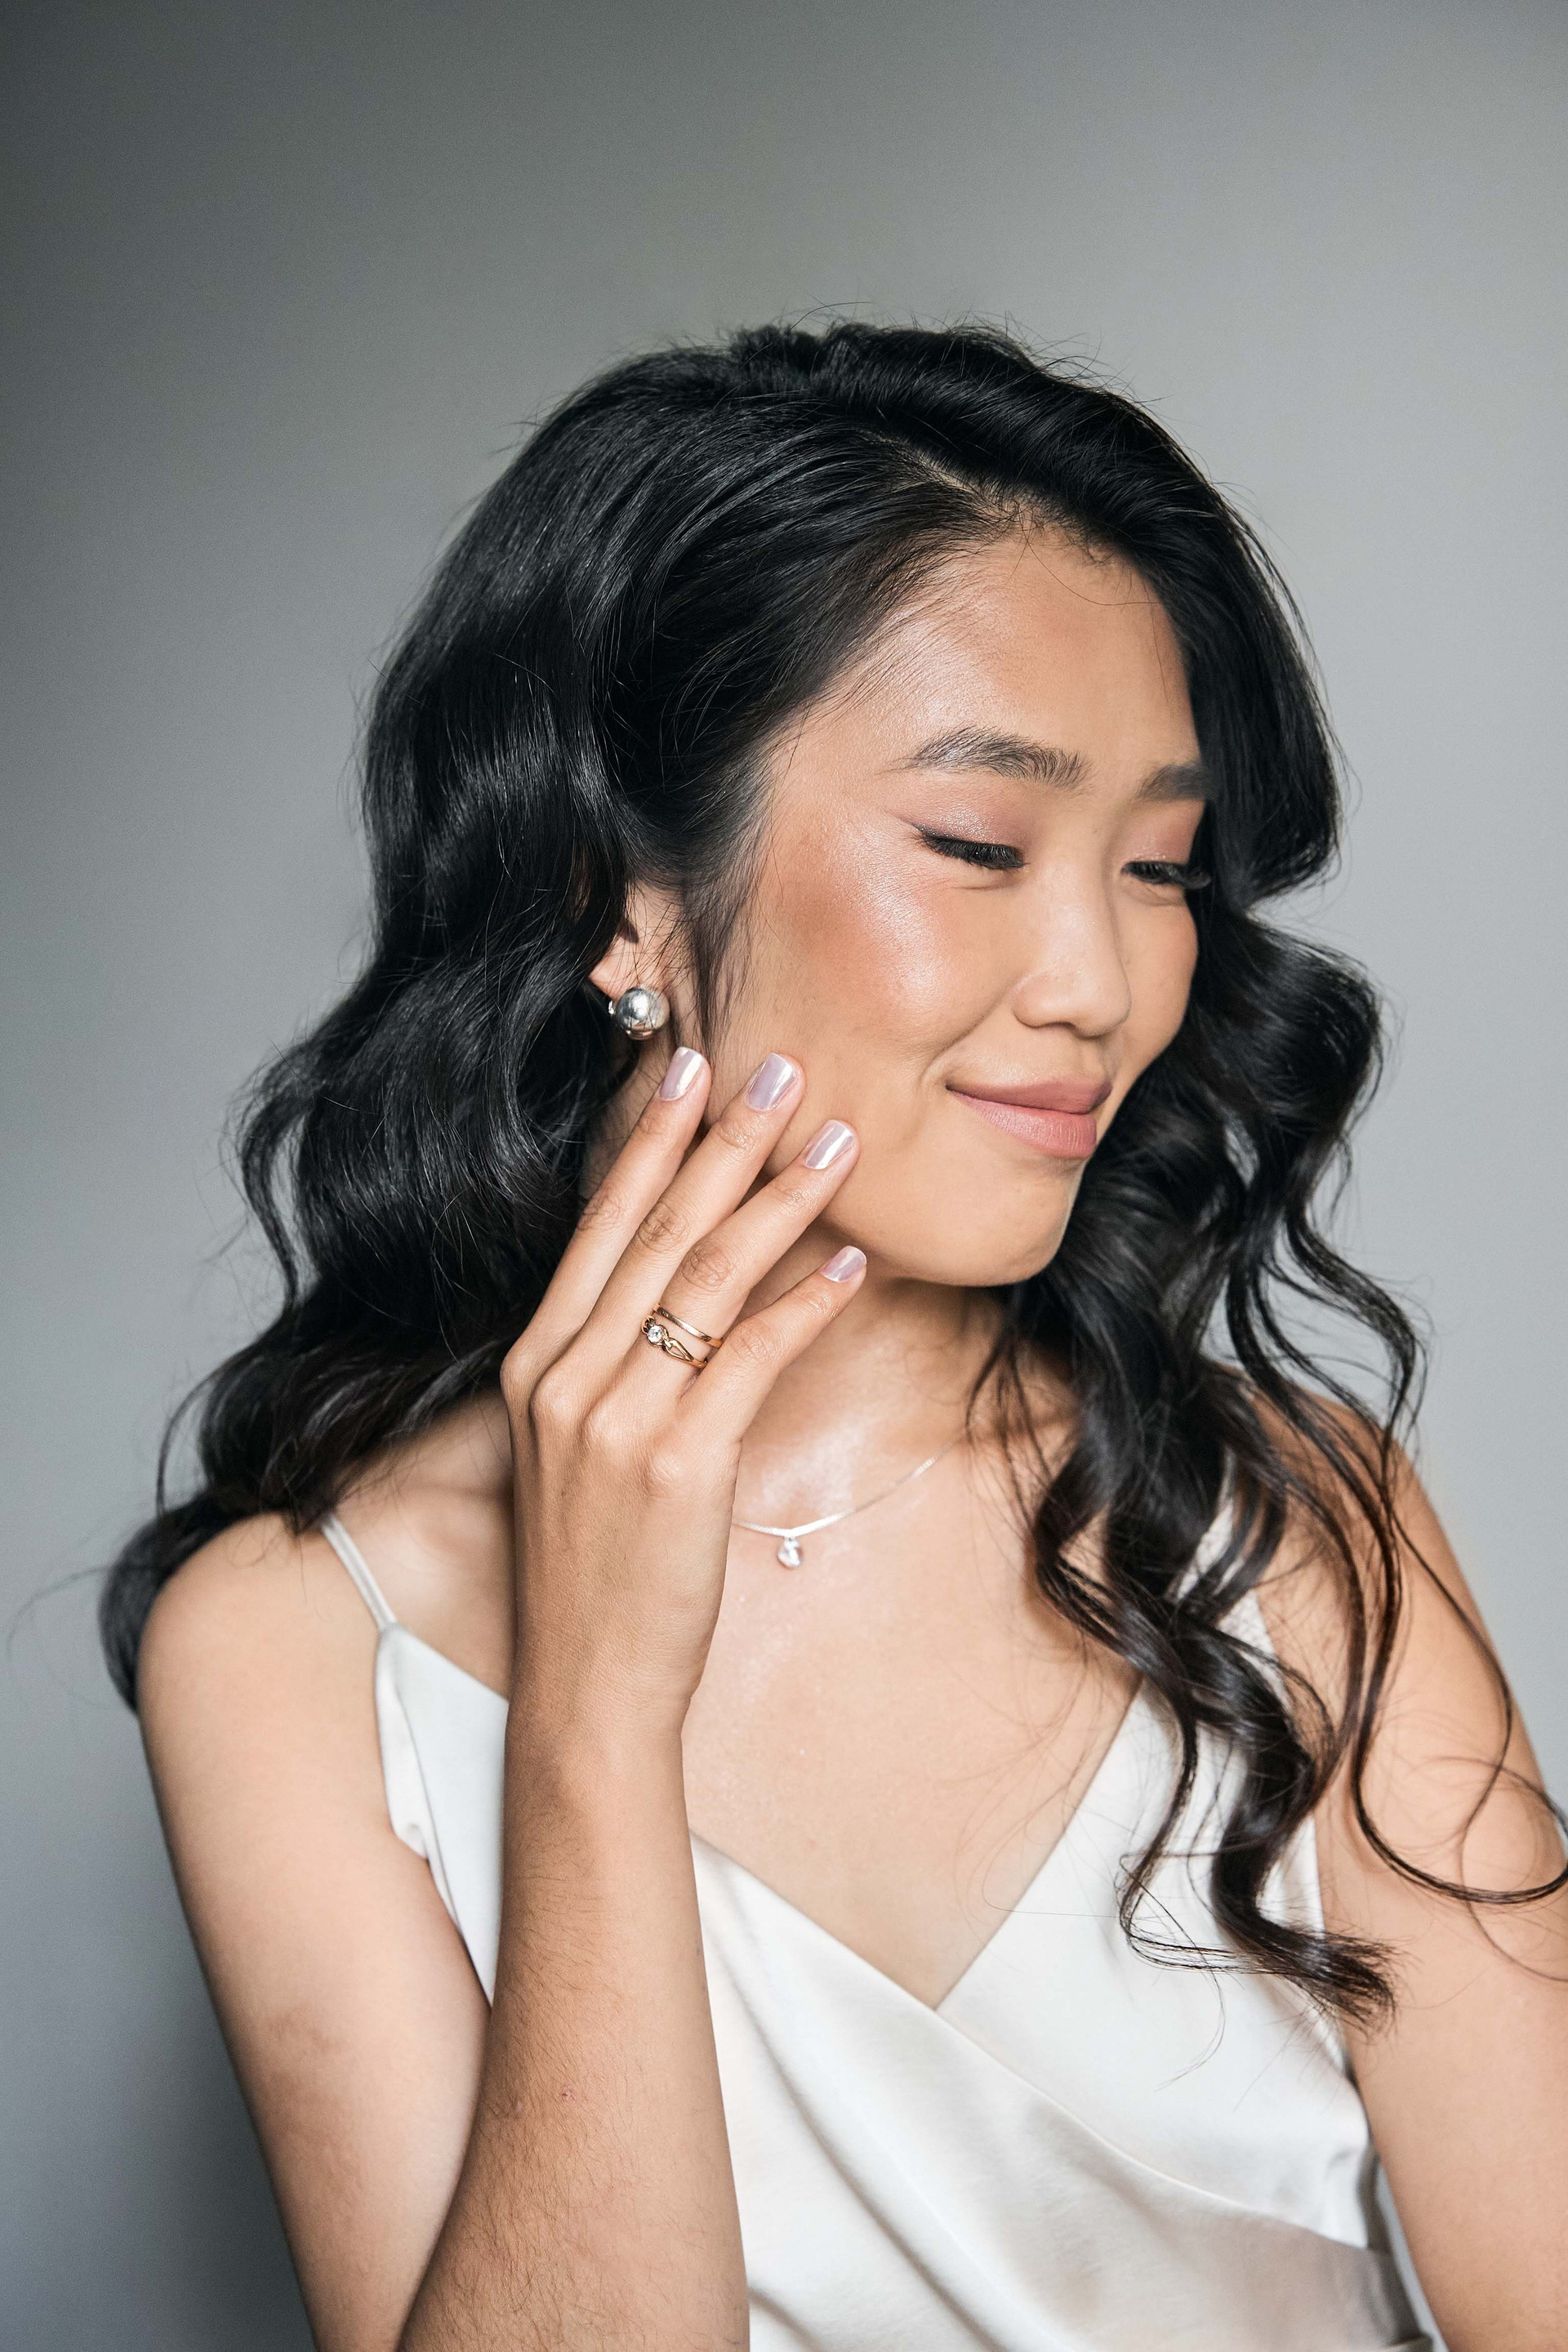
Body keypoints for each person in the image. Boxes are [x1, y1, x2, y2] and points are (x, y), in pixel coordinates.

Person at [105, 322, 1566, 2352]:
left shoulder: (1292, 1523)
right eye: (980, 847)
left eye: (1159, 867)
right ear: (624, 894)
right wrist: (594, 1716)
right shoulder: (289, 1646)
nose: (1103, 981)